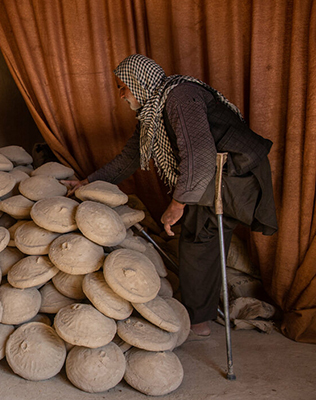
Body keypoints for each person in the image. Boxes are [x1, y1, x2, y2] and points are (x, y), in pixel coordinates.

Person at [63, 54, 277, 336]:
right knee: (203, 240)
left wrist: (177, 204)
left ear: (139, 83)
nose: (121, 93)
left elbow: (199, 156)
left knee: (198, 240)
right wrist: (87, 182)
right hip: (213, 174)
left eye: (123, 86)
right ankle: (203, 311)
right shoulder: (153, 114)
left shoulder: (179, 98)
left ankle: (198, 321)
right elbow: (130, 158)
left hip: (234, 171)